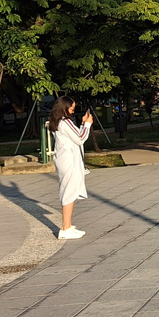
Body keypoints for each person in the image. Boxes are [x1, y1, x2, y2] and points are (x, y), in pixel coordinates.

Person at [50, 97, 92, 240]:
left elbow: (75, 136)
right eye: (72, 109)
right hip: (69, 161)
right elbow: (80, 139)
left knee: (70, 191)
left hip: (64, 160)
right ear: (65, 108)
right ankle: (65, 228)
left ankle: (68, 225)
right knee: (68, 192)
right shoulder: (65, 122)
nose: (73, 111)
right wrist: (87, 125)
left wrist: (82, 124)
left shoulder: (59, 122)